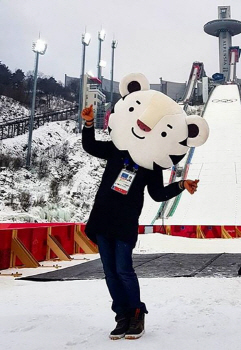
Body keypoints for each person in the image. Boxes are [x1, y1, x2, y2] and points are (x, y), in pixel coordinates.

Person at [81, 105, 200, 340]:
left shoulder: (151, 163)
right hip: (103, 217)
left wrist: (180, 185)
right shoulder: (118, 148)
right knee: (110, 272)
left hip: (125, 221)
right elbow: (90, 146)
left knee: (123, 269)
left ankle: (136, 313)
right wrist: (88, 124)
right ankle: (121, 316)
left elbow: (157, 194)